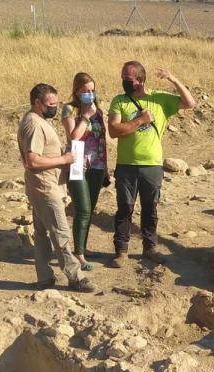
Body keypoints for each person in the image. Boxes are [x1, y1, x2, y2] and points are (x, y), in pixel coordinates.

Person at [107, 61, 196, 267]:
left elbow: (190, 103)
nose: (124, 83)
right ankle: (121, 251)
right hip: (126, 164)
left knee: (150, 208)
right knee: (124, 209)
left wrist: (173, 79)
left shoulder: (159, 99)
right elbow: (113, 131)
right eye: (123, 79)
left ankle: (150, 248)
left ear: (140, 80)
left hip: (152, 165)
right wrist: (139, 121)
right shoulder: (119, 101)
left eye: (128, 79)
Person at [17, 83, 96, 293]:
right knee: (60, 234)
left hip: (42, 186)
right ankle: (75, 277)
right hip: (45, 188)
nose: (54, 107)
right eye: (50, 104)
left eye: (56, 103)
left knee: (42, 235)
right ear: (37, 103)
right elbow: (32, 160)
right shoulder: (34, 124)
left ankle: (44, 278)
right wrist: (64, 159)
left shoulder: (36, 120)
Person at [61, 72, 108, 271]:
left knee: (91, 209)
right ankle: (78, 255)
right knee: (83, 209)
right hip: (77, 161)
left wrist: (105, 166)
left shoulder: (99, 110)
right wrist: (86, 116)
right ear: (77, 91)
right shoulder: (69, 109)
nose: (90, 94)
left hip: (96, 163)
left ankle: (84, 247)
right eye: (85, 91)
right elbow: (74, 136)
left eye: (92, 90)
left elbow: (102, 139)